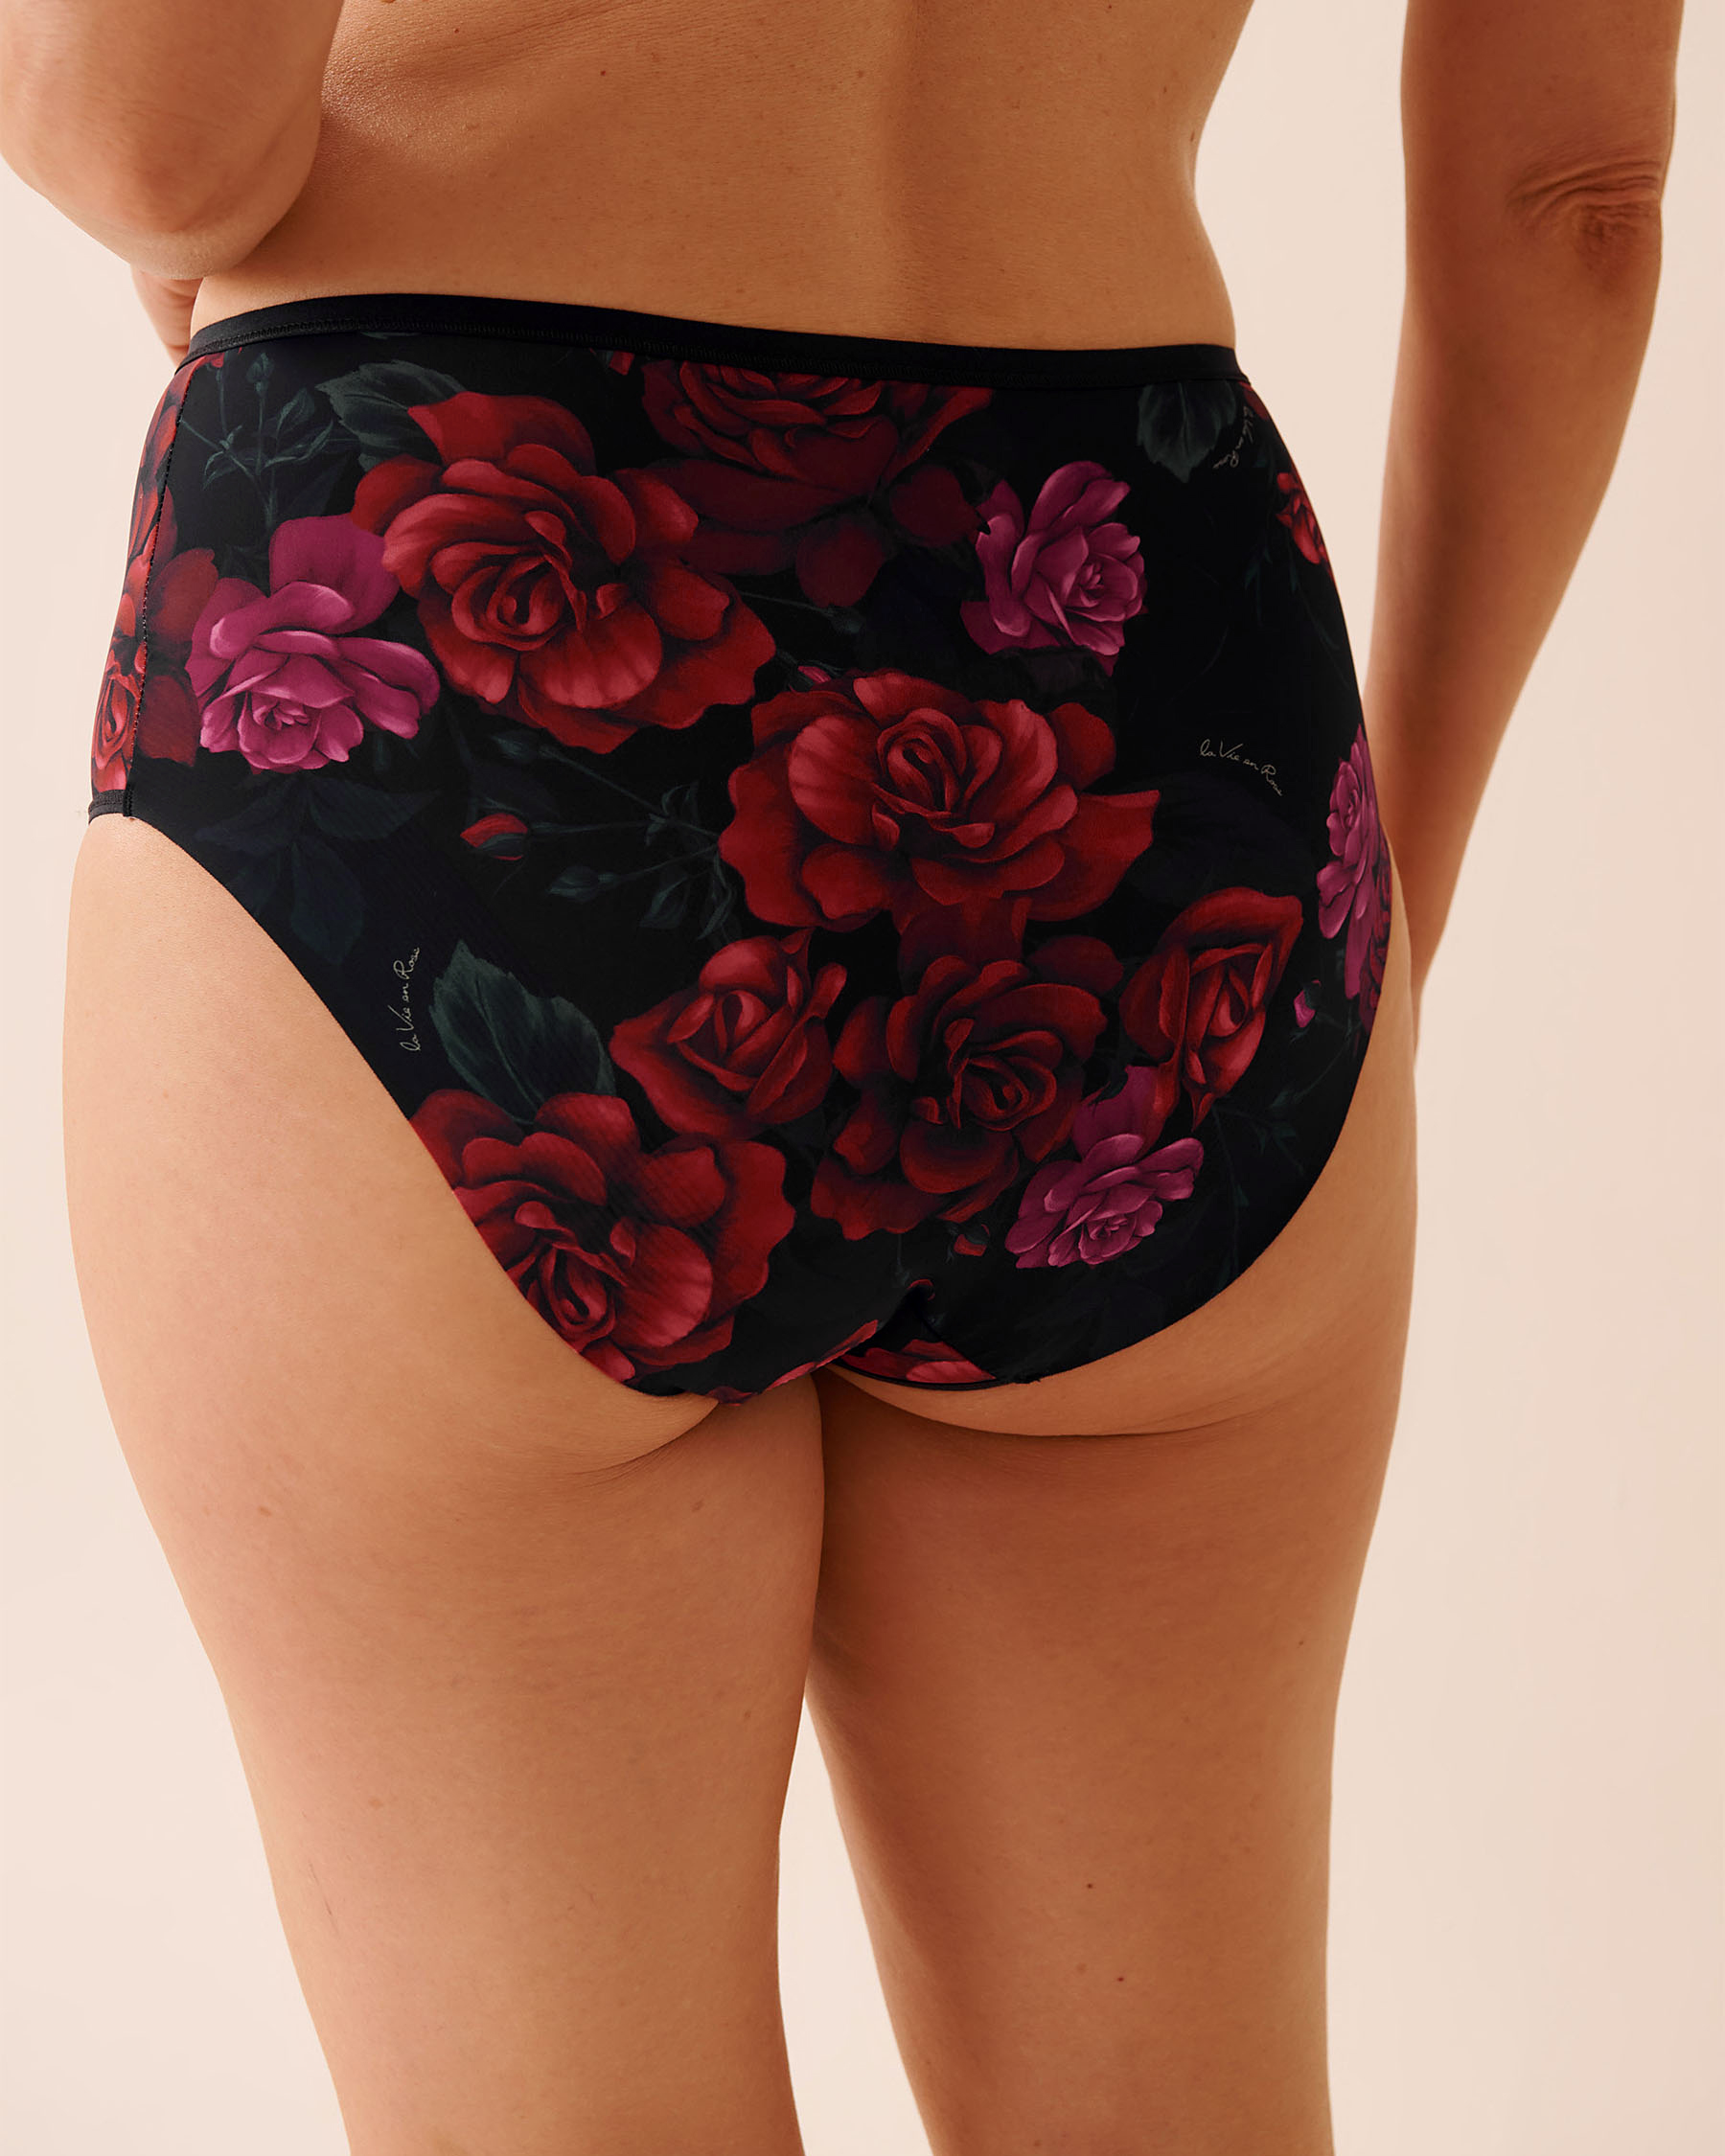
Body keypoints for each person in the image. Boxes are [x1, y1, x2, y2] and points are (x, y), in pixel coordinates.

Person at [1, 0, 1681, 2147]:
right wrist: (1381, 913)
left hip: (466, 630)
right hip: (1151, 698)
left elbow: (155, 142)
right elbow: (1575, 207)